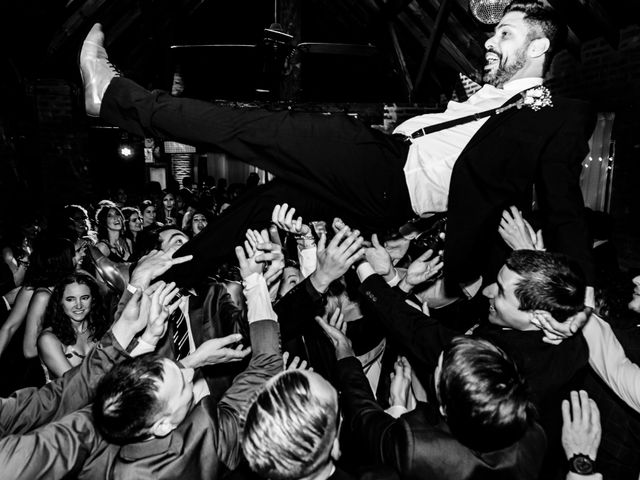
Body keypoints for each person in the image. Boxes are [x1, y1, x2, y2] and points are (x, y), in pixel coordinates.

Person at [79, 0, 595, 293]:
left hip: (394, 175)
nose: (488, 42)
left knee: (261, 129)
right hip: (382, 186)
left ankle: (118, 97)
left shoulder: (559, 112)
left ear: (539, 47)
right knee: (263, 204)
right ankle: (170, 279)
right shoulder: (489, 92)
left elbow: (563, 204)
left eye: (504, 34)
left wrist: (582, 291)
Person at [85, 244, 282, 479]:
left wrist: (136, 285)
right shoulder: (208, 440)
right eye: (183, 383)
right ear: (162, 425)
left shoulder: (99, 458)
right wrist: (255, 283)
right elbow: (265, 365)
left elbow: (116, 369)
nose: (189, 372)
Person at [317, 311, 545, 479]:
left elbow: (364, 416)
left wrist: (345, 352)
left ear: (444, 408)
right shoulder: (534, 434)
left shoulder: (417, 448)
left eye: (436, 369)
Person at [37, 273, 111, 380]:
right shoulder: (49, 339)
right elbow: (75, 384)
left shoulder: (98, 328)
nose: (79, 305)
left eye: (84, 298)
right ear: (60, 302)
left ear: (93, 299)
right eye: (70, 299)